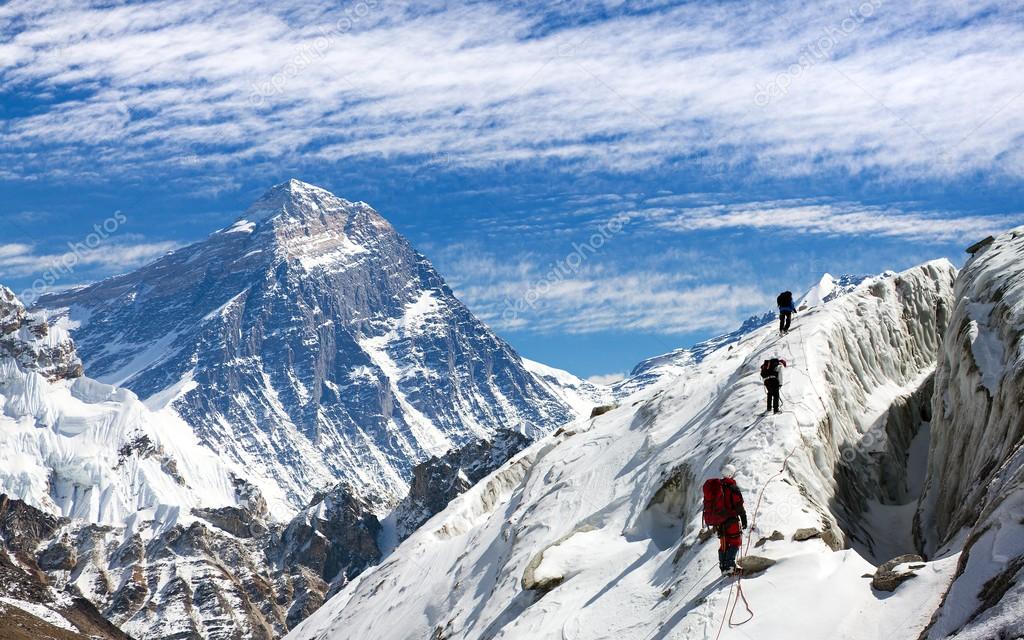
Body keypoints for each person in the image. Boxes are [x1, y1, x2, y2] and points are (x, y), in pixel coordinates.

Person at [702, 464, 748, 576]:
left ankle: (723, 567)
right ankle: (730, 567)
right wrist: (744, 518)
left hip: (719, 521)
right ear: (731, 474)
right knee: (735, 542)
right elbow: (739, 505)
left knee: (724, 543)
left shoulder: (718, 486)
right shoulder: (732, 487)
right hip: (731, 520)